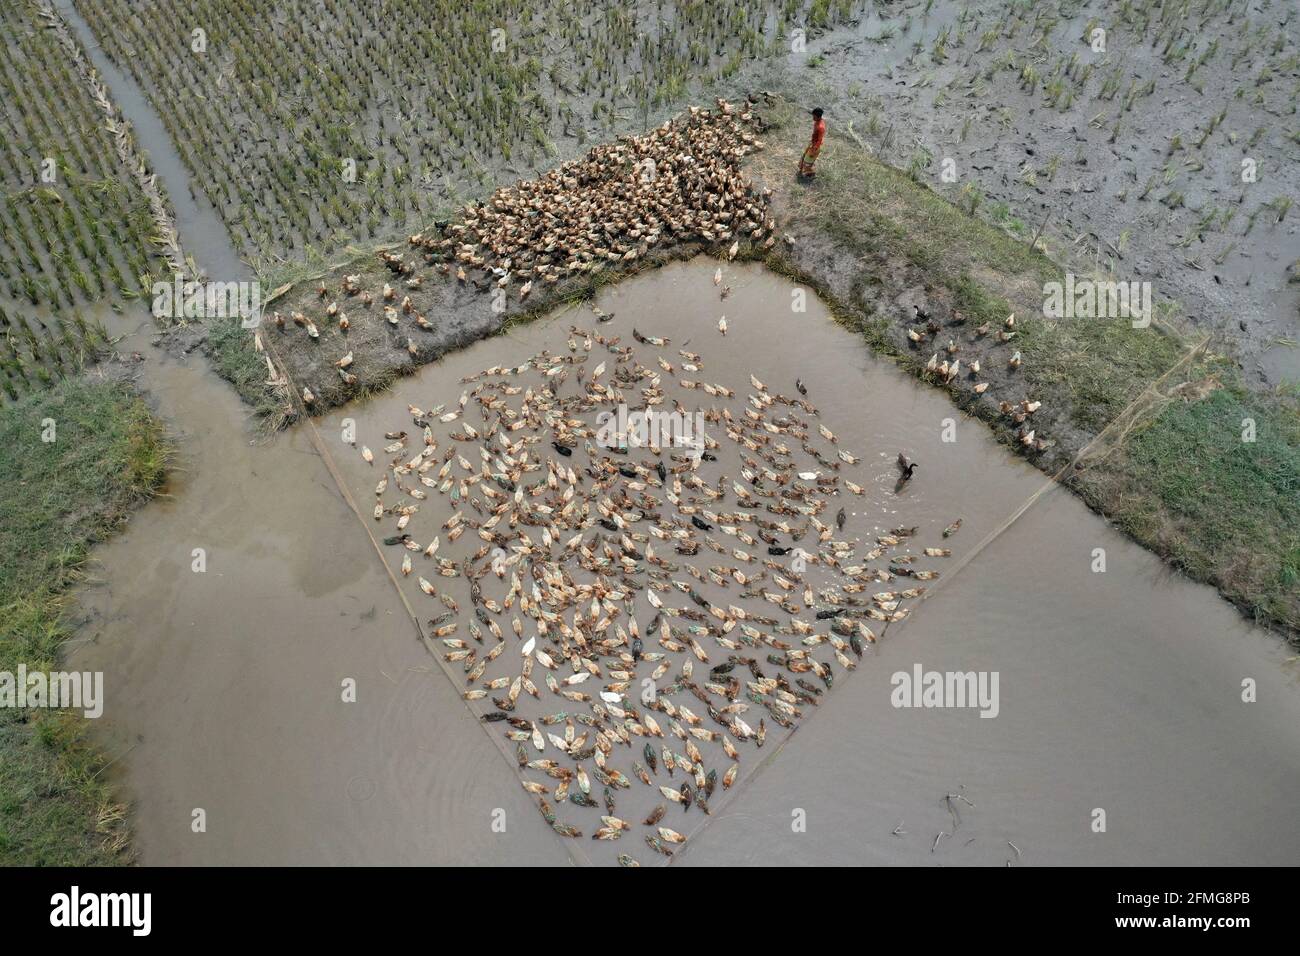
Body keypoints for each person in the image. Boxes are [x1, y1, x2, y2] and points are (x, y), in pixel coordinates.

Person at [798, 107, 826, 178]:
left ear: (818, 116)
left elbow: (819, 140)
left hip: (816, 147)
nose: (813, 117)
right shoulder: (818, 122)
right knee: (804, 157)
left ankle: (811, 174)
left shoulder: (821, 127)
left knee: (807, 162)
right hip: (812, 144)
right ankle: (805, 171)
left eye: (814, 116)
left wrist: (814, 149)